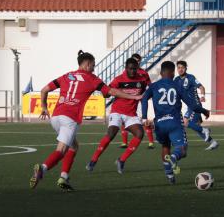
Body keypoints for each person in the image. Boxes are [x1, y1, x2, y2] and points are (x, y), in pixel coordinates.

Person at [29, 50, 142, 190]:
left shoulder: (67, 76)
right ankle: (42, 169)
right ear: (87, 64)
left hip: (56, 117)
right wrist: (134, 97)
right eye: (93, 65)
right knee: (61, 150)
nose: (94, 68)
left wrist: (45, 107)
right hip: (69, 118)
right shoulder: (91, 78)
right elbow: (111, 91)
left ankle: (64, 177)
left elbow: (44, 89)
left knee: (74, 146)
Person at [141, 61, 210, 184]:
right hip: (174, 122)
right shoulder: (177, 86)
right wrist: (204, 111)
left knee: (165, 145)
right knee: (182, 148)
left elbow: (144, 98)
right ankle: (174, 157)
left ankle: (169, 175)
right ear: (173, 73)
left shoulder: (154, 86)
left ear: (161, 73)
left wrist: (144, 117)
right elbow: (192, 105)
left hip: (159, 124)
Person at [86, 58, 149, 174]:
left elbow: (144, 96)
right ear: (126, 69)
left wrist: (145, 113)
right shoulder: (118, 80)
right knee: (111, 133)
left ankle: (121, 160)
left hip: (131, 114)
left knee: (140, 134)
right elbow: (107, 93)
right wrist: (103, 92)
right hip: (117, 112)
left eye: (135, 69)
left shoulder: (142, 80)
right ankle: (93, 160)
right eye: (130, 69)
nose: (133, 71)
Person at [174, 61, 218, 151]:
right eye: (178, 67)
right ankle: (213, 142)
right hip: (189, 107)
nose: (180, 69)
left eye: (182, 67)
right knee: (196, 127)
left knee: (186, 123)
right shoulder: (176, 80)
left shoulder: (190, 78)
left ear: (186, 68)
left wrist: (202, 96)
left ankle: (205, 130)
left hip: (195, 105)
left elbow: (201, 87)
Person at [120, 53, 156, 149]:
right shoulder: (126, 72)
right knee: (124, 119)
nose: (136, 62)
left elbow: (150, 85)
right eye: (135, 60)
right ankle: (124, 142)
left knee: (144, 119)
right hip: (130, 99)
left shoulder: (144, 73)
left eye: (138, 61)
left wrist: (150, 94)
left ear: (140, 62)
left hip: (141, 99)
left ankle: (151, 142)